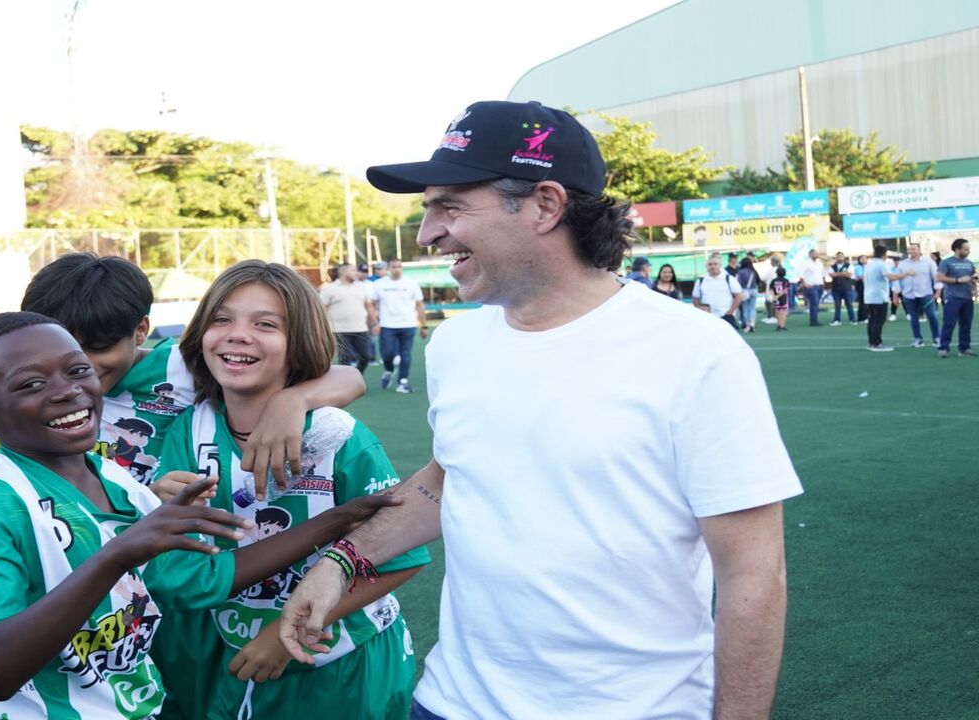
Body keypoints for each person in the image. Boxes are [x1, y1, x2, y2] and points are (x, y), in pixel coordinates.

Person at [280, 100, 801, 719]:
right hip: (453, 703)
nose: (427, 233)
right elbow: (450, 483)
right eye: (428, 209)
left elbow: (752, 575)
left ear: (545, 206)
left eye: (449, 206)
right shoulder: (455, 346)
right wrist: (342, 560)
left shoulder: (695, 352)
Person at [0, 312, 395, 718]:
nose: (67, 392)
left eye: (78, 371)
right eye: (31, 385)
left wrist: (333, 523)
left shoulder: (114, 478)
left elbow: (197, 579)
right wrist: (116, 556)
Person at [16, 251, 367, 720]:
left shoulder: (182, 370)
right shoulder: (27, 386)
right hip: (87, 589)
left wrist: (293, 399)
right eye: (59, 352)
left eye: (95, 350)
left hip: (190, 591)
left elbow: (347, 376)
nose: (76, 371)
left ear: (140, 331)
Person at [158, 260, 429, 719]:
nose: (238, 334)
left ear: (299, 344)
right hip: (236, 648)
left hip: (345, 663)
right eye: (221, 319)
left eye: (265, 324)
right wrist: (159, 499)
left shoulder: (337, 434)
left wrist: (292, 626)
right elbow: (176, 563)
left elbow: (400, 558)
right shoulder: (188, 430)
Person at [371, 258, 429, 393]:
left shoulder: (411, 283)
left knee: (405, 353)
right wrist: (374, 322)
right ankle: (389, 370)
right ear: (388, 269)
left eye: (399, 266)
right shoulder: (379, 284)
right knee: (387, 354)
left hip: (408, 324)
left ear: (402, 268)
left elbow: (419, 304)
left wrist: (424, 325)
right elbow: (371, 304)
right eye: (393, 267)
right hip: (387, 325)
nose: (396, 269)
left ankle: (403, 382)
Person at [318, 264, 376, 373]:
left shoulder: (362, 287)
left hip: (360, 328)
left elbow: (369, 306)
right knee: (345, 359)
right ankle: (347, 384)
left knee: (366, 356)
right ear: (343, 272)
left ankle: (357, 375)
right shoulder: (330, 289)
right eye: (353, 270)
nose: (356, 273)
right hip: (339, 330)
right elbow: (322, 309)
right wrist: (322, 327)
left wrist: (375, 323)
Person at [863, 244, 915, 352]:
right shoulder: (882, 264)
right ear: (884, 254)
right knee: (878, 320)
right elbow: (890, 277)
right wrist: (906, 274)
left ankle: (871, 342)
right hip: (879, 296)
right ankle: (877, 343)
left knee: (872, 320)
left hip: (869, 296)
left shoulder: (869, 264)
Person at [936, 237, 976, 358]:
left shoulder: (969, 263)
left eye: (968, 249)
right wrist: (958, 280)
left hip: (967, 298)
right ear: (957, 249)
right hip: (952, 298)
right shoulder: (946, 262)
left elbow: (973, 278)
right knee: (949, 324)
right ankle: (943, 348)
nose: (968, 251)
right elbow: (940, 277)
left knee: (966, 324)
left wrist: (975, 289)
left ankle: (964, 349)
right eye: (966, 249)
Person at [897, 243, 941, 348]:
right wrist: (895, 294)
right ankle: (918, 339)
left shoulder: (929, 262)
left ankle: (937, 338)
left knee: (932, 316)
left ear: (919, 250)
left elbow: (936, 277)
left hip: (926, 294)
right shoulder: (903, 264)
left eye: (914, 249)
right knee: (914, 318)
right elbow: (897, 279)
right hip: (908, 295)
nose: (911, 251)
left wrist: (938, 291)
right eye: (910, 249)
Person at [692, 255, 743, 329]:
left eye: (715, 264)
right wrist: (700, 309)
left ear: (720, 266)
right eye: (710, 264)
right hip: (707, 317)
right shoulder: (700, 281)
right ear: (706, 266)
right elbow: (695, 298)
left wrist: (731, 311)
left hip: (726, 316)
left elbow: (739, 295)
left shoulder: (729, 278)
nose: (713, 266)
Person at [797, 248, 827, 327]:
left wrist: (823, 281)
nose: (817, 255)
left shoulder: (819, 263)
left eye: (817, 253)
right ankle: (813, 320)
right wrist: (804, 283)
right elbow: (800, 273)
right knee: (814, 303)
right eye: (815, 253)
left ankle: (814, 319)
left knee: (816, 303)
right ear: (810, 255)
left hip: (819, 285)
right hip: (811, 286)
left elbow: (822, 273)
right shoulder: (806, 263)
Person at [828, 252, 857, 326]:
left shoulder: (849, 265)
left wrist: (838, 274)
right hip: (836, 288)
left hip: (847, 288)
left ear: (844, 257)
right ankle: (837, 320)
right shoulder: (832, 266)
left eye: (841, 256)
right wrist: (842, 273)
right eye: (838, 256)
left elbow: (849, 275)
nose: (839, 257)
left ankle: (852, 319)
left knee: (849, 304)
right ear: (836, 257)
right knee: (837, 305)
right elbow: (831, 275)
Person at [735, 256, 761, 332]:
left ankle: (747, 325)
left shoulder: (740, 272)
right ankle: (752, 323)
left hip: (744, 290)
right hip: (754, 290)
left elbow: (737, 283)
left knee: (745, 308)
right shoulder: (753, 271)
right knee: (752, 308)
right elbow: (758, 281)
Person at [854, 254, 869, 323]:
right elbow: (860, 277)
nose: (863, 260)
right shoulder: (858, 267)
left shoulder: (868, 266)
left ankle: (867, 316)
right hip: (861, 285)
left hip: (867, 285)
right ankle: (862, 317)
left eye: (864, 258)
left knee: (867, 302)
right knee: (863, 302)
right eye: (861, 258)